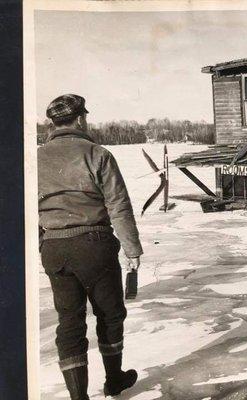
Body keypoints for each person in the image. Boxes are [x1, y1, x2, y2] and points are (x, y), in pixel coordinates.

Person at [38, 94, 142, 399]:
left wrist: (41, 244)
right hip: (94, 246)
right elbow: (118, 205)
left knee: (69, 323)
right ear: (81, 119)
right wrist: (132, 249)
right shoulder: (98, 154)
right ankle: (114, 380)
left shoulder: (34, 158)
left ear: (53, 123)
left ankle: (78, 397)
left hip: (54, 248)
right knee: (109, 314)